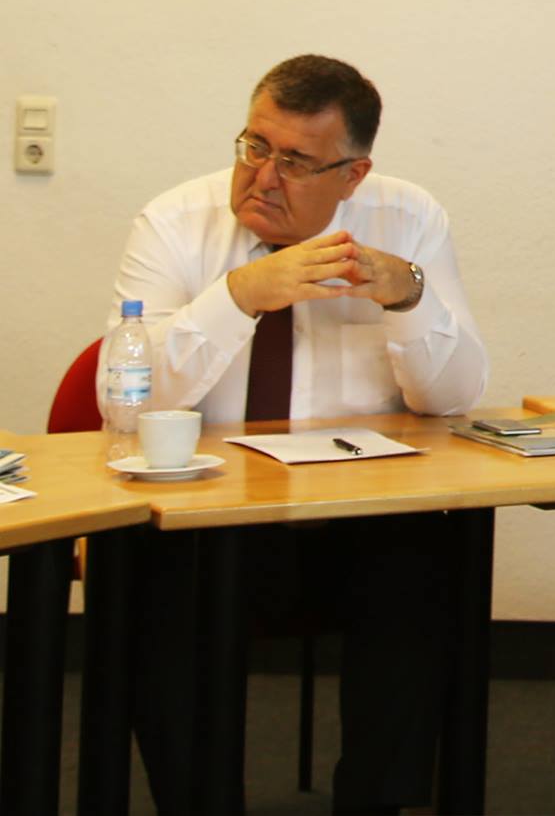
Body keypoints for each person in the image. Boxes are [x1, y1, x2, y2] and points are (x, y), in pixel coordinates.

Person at [108, 54, 489, 814]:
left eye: (294, 161)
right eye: (254, 146)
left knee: (426, 558)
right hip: (208, 518)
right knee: (152, 576)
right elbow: (125, 404)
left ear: (353, 175)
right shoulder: (174, 222)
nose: (262, 177)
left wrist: (408, 296)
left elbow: (454, 397)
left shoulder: (409, 218)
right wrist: (239, 296)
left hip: (357, 517)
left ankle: (375, 804)